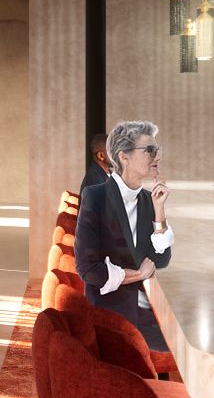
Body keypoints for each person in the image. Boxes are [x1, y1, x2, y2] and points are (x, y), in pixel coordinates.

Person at [73, 120, 173, 352]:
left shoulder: (149, 199)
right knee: (180, 344)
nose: (156, 156)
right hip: (112, 318)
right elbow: (88, 269)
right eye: (149, 150)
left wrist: (159, 211)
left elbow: (162, 258)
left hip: (142, 312)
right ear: (123, 157)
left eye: (157, 150)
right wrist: (138, 273)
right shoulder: (96, 196)